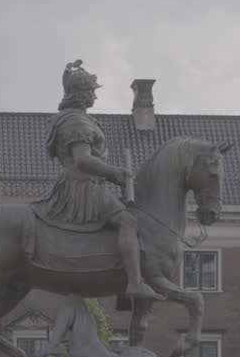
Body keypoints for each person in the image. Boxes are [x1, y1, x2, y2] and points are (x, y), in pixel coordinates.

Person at [34, 59, 163, 302]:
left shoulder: (71, 118)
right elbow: (83, 160)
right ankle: (135, 283)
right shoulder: (76, 122)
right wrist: (113, 172)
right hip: (83, 188)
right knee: (127, 222)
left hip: (86, 184)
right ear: (81, 94)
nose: (95, 95)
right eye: (92, 91)